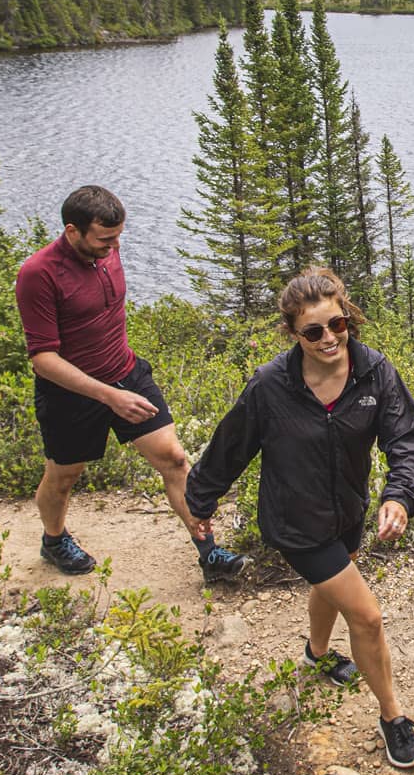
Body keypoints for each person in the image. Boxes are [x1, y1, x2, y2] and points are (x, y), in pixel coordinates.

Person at [185, 268, 414, 770]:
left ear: (349, 319)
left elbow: (408, 441)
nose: (330, 339)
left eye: (338, 325)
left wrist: (400, 498)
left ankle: (317, 655)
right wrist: (200, 501)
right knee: (366, 615)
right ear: (294, 334)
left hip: (347, 510)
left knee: (332, 580)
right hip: (295, 521)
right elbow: (231, 446)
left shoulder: (374, 372)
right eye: (314, 331)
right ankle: (393, 718)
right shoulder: (270, 385)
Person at [14, 184, 251, 584]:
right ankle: (54, 541)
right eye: (105, 238)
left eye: (118, 236)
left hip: (127, 372)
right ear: (73, 232)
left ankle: (209, 554)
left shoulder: (109, 250)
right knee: (63, 476)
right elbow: (43, 359)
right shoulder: (38, 274)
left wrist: (121, 387)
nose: (114, 245)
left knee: (174, 460)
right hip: (72, 394)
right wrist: (108, 397)